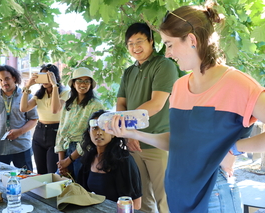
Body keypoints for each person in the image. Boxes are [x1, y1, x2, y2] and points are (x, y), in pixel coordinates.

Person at [107, 3, 265, 213]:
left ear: (192, 40)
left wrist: (235, 147)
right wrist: (131, 132)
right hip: (177, 194)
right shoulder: (180, 87)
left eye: (170, 44)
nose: (167, 53)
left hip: (213, 197)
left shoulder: (237, 83)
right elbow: (178, 141)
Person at [116, 22, 178, 213]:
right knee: (142, 201)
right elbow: (120, 105)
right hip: (134, 145)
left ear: (152, 41)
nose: (135, 47)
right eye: (130, 43)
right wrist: (127, 135)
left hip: (159, 144)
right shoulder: (129, 72)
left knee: (166, 200)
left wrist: (130, 131)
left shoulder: (164, 65)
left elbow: (156, 103)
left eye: (140, 41)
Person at [77, 109, 142, 209]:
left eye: (104, 128)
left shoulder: (124, 160)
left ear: (113, 133)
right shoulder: (88, 158)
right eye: (94, 128)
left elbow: (136, 204)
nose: (98, 133)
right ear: (89, 132)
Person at [0, 65, 38, 171]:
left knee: (26, 181)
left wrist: (19, 131)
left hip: (21, 147)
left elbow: (33, 119)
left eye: (7, 78)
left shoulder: (26, 96)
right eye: (0, 80)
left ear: (14, 78)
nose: (4, 83)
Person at [55, 67, 104, 180]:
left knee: (80, 188)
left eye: (87, 81)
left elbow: (92, 136)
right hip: (66, 150)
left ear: (91, 84)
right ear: (73, 83)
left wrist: (69, 160)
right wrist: (61, 162)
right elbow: (61, 131)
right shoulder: (68, 104)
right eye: (79, 80)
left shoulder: (96, 105)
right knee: (62, 186)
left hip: (83, 153)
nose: (83, 84)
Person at [20, 64, 69, 174]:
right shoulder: (40, 94)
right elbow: (23, 108)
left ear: (55, 77)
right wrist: (27, 86)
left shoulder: (65, 92)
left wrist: (55, 86)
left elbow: (55, 109)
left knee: (52, 172)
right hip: (39, 132)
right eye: (42, 76)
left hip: (56, 133)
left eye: (48, 76)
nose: (44, 80)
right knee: (41, 172)